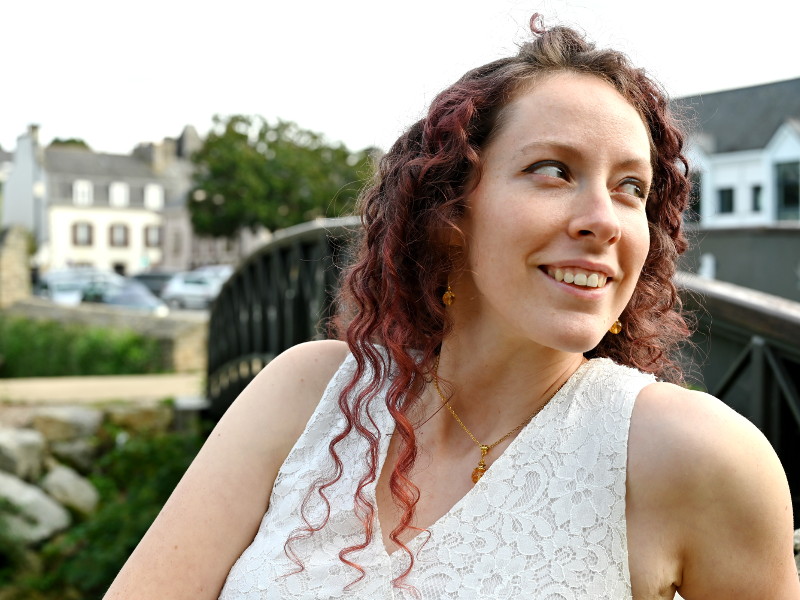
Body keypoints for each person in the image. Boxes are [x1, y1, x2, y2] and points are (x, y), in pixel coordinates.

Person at [104, 16, 800, 600]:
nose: (604, 220)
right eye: (552, 170)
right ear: (448, 211)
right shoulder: (302, 396)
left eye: (630, 188)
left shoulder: (699, 458)